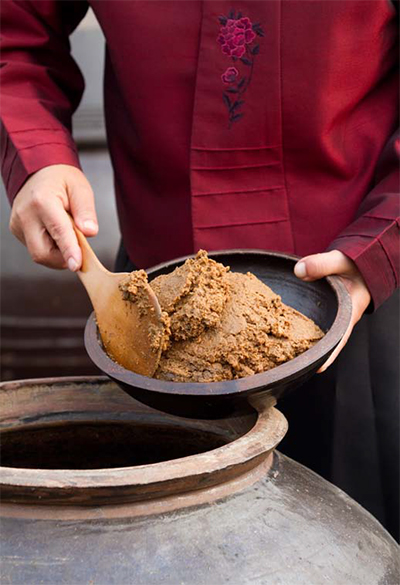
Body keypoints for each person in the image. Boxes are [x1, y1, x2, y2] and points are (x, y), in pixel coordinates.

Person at [1, 1, 398, 540]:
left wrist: (382, 242)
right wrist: (36, 155)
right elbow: (15, 31)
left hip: (363, 302)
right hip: (150, 319)